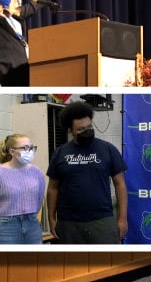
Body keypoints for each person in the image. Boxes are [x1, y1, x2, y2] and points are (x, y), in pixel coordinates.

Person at [47, 101, 128, 244]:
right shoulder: (60, 153)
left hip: (102, 220)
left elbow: (120, 184)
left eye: (89, 126)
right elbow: (52, 188)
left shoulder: (108, 149)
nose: (87, 131)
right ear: (70, 131)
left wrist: (122, 219)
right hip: (68, 223)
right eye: (81, 129)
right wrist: (51, 218)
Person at [0, 133, 46, 244]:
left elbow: (39, 200)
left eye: (32, 148)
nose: (30, 151)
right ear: (12, 151)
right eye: (25, 148)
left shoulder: (37, 172)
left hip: (32, 224)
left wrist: (30, 216)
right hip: (6, 225)